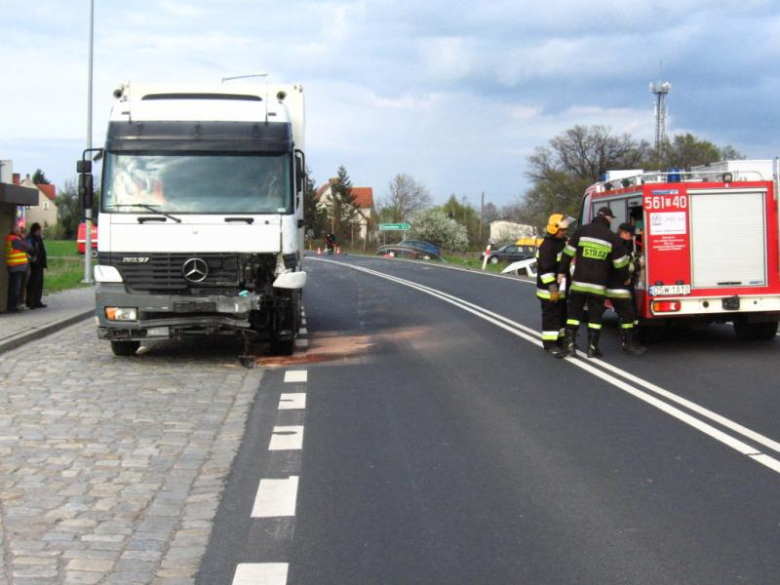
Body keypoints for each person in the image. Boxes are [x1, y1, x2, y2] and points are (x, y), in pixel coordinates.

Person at [554, 206, 630, 358]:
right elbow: (621, 265)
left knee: (574, 314)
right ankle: (592, 348)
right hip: (598, 286)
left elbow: (567, 254)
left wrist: (561, 272)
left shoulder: (582, 231)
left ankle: (569, 346)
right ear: (607, 220)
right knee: (595, 317)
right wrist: (624, 279)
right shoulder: (612, 238)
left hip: (579, 283)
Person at [536, 213, 574, 354]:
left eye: (565, 230)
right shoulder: (547, 247)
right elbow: (546, 272)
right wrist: (553, 290)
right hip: (549, 291)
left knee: (562, 315)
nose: (565, 232)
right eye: (562, 230)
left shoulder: (561, 243)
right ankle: (550, 344)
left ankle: (560, 341)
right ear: (553, 229)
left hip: (561, 289)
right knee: (551, 317)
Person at [4, 223, 31, 313]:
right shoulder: (14, 239)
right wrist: (23, 237)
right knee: (15, 288)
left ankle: (13, 306)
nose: (21, 231)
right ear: (16, 231)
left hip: (16, 266)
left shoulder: (13, 238)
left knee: (15, 287)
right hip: (16, 267)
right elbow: (28, 247)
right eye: (19, 230)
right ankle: (12, 307)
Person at [25, 222, 48, 309]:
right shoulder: (30, 238)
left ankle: (37, 301)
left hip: (39, 264)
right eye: (40, 229)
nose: (41, 231)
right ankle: (30, 302)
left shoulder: (38, 238)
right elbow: (30, 250)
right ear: (37, 230)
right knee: (32, 283)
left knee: (39, 283)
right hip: (33, 264)